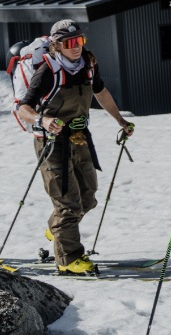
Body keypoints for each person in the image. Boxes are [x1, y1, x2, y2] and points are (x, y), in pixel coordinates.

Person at [15, 19, 136, 275]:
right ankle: (69, 260)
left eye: (80, 41)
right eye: (70, 43)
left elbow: (100, 92)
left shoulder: (88, 66)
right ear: (57, 45)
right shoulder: (48, 70)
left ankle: (57, 228)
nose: (76, 47)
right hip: (51, 143)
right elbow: (23, 108)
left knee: (88, 197)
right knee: (67, 203)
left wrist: (121, 120)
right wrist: (42, 120)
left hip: (79, 137)